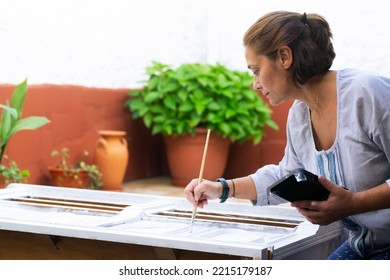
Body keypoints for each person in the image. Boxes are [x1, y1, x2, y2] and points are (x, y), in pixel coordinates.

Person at [184, 11, 390, 260]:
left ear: (284, 56)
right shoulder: (299, 115)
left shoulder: (367, 93)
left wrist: (353, 203)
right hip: (366, 245)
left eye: (256, 70)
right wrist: (221, 189)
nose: (255, 84)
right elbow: (286, 175)